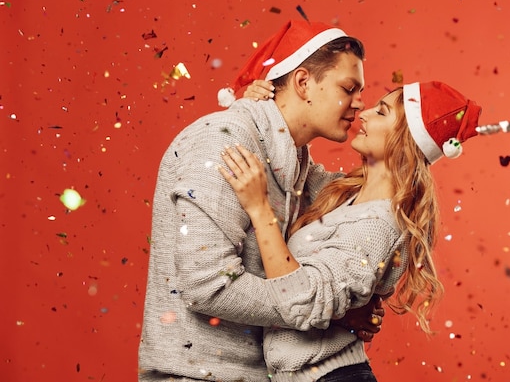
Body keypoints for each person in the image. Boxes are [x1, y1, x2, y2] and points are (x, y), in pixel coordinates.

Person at [138, 20, 384, 382]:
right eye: (349, 88)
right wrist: (322, 311)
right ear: (303, 83)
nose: (361, 104)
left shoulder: (295, 161)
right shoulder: (223, 143)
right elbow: (208, 287)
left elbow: (362, 207)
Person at [219, 81, 485, 381]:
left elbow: (302, 302)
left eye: (382, 112)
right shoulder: (343, 196)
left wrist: (259, 210)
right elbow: (289, 164)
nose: (365, 113)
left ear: (406, 139)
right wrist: (264, 106)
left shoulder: (378, 225)